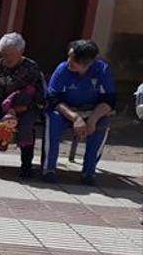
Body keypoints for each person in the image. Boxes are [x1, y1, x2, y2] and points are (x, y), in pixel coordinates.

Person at [0, 32, 45, 178]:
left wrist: (25, 107)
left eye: (10, 54)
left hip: (22, 108)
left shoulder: (31, 67)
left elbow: (40, 94)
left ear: (21, 52)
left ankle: (26, 166)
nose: (7, 58)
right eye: (4, 54)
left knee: (26, 128)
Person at [43, 40, 116, 186]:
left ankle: (89, 171)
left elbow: (110, 101)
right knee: (53, 119)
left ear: (87, 62)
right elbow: (52, 99)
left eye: (74, 59)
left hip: (92, 110)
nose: (69, 61)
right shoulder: (63, 69)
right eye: (69, 56)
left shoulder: (102, 70)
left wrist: (93, 119)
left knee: (104, 122)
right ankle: (49, 168)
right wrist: (75, 118)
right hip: (66, 110)